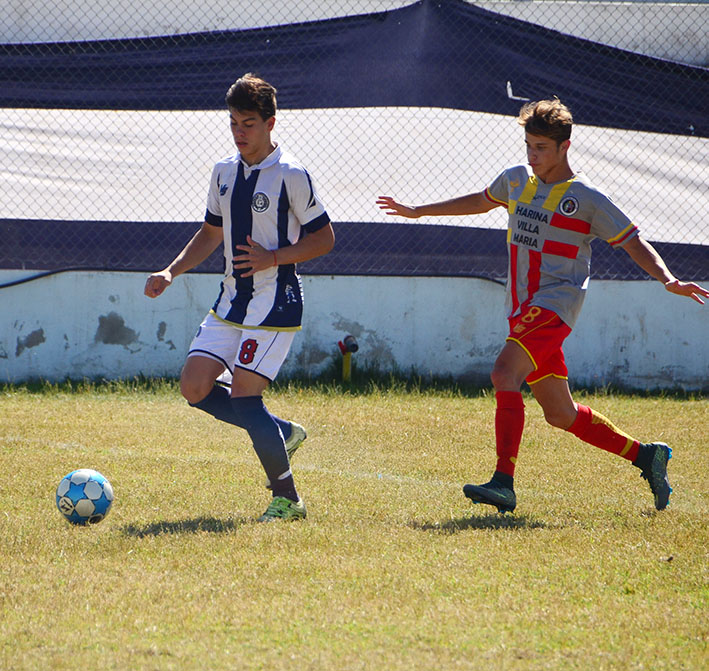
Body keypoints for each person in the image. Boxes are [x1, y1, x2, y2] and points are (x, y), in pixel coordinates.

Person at [377, 98, 708, 514]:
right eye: (529, 146)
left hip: (555, 305)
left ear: (565, 147)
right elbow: (482, 200)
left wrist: (667, 279)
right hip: (522, 309)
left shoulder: (587, 197)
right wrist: (419, 211)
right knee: (560, 413)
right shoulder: (517, 180)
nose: (532, 156)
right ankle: (647, 456)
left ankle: (503, 482)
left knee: (503, 372)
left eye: (541, 149)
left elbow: (632, 241)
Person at [145, 73, 335, 522]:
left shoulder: (291, 174)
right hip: (231, 302)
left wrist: (274, 256)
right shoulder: (223, 172)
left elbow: (325, 239)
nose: (239, 132)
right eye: (233, 122)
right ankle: (280, 432)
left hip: (275, 303)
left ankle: (288, 500)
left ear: (271, 123)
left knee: (247, 400)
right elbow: (212, 232)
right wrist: (172, 271)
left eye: (248, 123)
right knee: (194, 388)